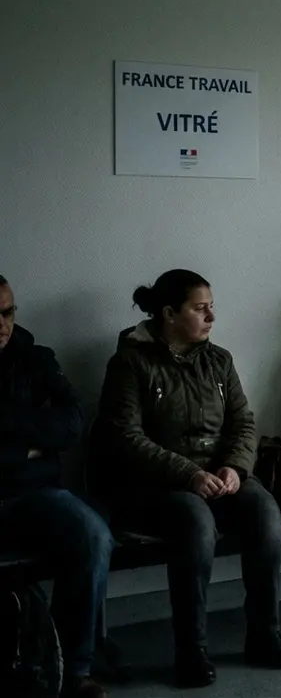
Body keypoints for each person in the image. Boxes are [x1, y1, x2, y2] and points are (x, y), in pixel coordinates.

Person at [89, 270, 281, 688]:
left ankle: (263, 635)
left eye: (211, 307)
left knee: (264, 511)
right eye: (200, 308)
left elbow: (243, 423)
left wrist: (234, 469)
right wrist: (189, 473)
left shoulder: (219, 360)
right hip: (155, 485)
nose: (211, 316)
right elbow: (125, 438)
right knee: (195, 521)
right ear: (169, 314)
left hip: (218, 477)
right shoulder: (130, 363)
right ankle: (191, 649)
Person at [0, 276, 113, 698]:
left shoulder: (37, 359)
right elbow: (47, 433)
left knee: (92, 533)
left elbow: (70, 425)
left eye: (7, 312)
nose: (2, 324)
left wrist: (9, 428)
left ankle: (74, 667)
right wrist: (26, 446)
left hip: (33, 497)